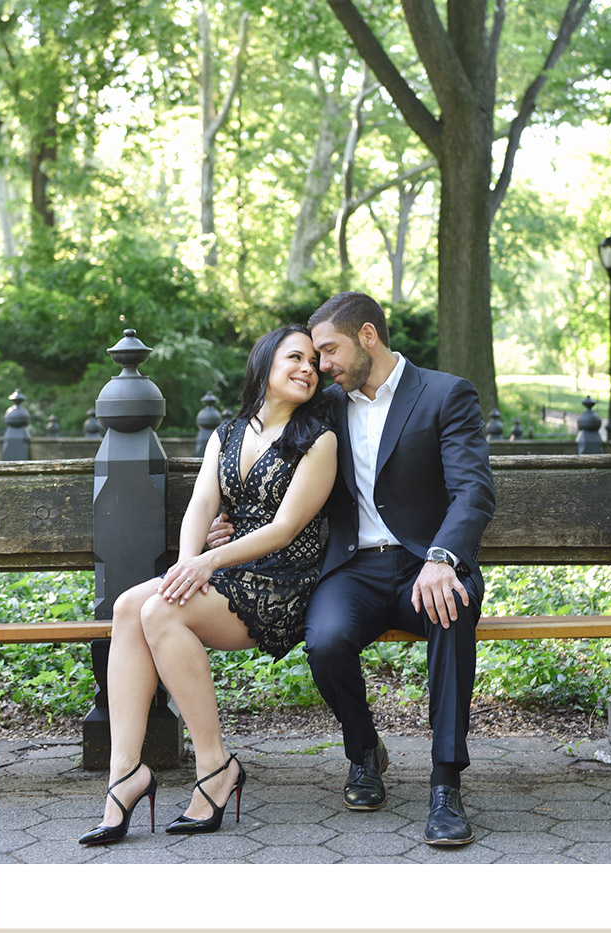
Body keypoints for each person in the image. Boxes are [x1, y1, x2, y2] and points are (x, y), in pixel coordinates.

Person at [211, 291, 495, 846]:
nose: (321, 365)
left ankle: (445, 786)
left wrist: (442, 558)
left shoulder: (444, 394)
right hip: (353, 568)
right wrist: (226, 524)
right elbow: (270, 464)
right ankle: (363, 750)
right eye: (313, 356)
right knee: (326, 640)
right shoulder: (326, 408)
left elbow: (474, 492)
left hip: (427, 561)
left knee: (451, 612)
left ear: (368, 335)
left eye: (329, 350)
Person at [79, 325, 336, 846]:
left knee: (160, 612)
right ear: (265, 363)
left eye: (313, 362)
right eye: (295, 357)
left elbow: (284, 529)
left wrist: (203, 565)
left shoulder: (319, 440)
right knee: (131, 606)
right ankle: (125, 775)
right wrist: (188, 563)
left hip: (283, 583)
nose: (308, 368)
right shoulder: (229, 432)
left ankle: (216, 766)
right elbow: (202, 504)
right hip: (227, 571)